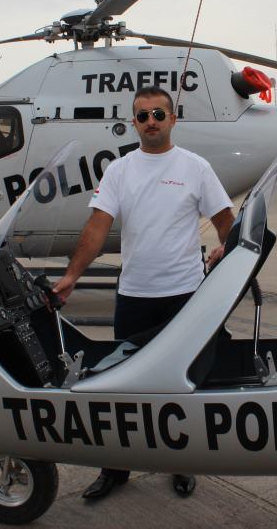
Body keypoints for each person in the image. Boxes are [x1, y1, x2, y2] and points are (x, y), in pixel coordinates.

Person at [52, 85, 235, 502]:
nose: (151, 121)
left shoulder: (196, 167)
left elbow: (226, 220)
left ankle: (181, 462)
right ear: (133, 122)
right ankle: (116, 468)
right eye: (142, 115)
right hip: (134, 296)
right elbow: (97, 226)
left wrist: (228, 248)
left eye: (158, 114)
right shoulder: (120, 170)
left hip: (184, 296)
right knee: (123, 386)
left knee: (181, 385)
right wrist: (71, 276)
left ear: (173, 119)